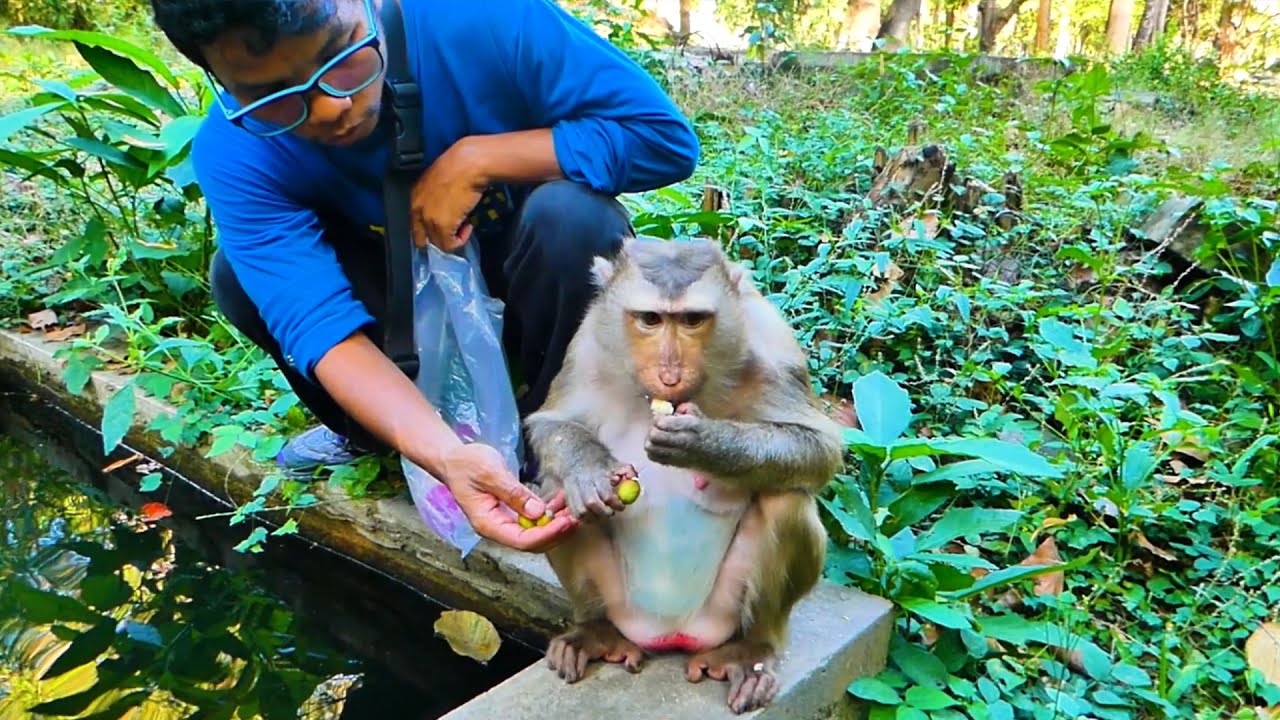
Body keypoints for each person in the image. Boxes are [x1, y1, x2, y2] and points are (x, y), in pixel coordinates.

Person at [147, 0, 700, 552]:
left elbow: (662, 139)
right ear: (218, 79)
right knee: (237, 279)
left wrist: (480, 159)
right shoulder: (235, 150)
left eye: (340, 55)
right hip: (388, 301)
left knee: (576, 217)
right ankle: (374, 435)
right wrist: (445, 456)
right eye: (275, 96)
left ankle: (559, 432)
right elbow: (321, 326)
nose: (330, 106)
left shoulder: (481, 18)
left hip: (528, 272)